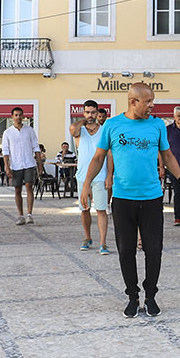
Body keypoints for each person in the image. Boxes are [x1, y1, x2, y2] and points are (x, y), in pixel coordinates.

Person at [80, 83, 180, 318]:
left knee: (153, 250)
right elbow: (98, 157)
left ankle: (151, 296)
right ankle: (132, 297)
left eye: (152, 101)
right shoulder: (113, 125)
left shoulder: (157, 125)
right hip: (123, 199)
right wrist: (86, 184)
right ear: (133, 102)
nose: (152, 105)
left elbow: (167, 155)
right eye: (148, 101)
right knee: (126, 250)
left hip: (151, 198)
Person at [72, 100, 112, 254]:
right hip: (82, 176)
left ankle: (103, 242)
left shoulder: (104, 131)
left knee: (102, 209)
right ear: (83, 113)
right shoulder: (79, 131)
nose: (90, 115)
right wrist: (84, 121)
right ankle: (87, 238)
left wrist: (109, 174)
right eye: (87, 112)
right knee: (85, 209)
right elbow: (73, 129)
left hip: (100, 176)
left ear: (98, 113)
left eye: (93, 112)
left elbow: (109, 154)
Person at [1, 107, 41, 225]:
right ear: (12, 116)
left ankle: (29, 214)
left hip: (29, 163)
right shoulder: (7, 133)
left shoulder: (29, 130)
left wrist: (39, 165)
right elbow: (5, 151)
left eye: (20, 115)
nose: (18, 117)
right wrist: (7, 167)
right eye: (16, 115)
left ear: (23, 116)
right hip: (16, 165)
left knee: (29, 186)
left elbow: (36, 146)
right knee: (17, 189)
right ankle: (20, 215)